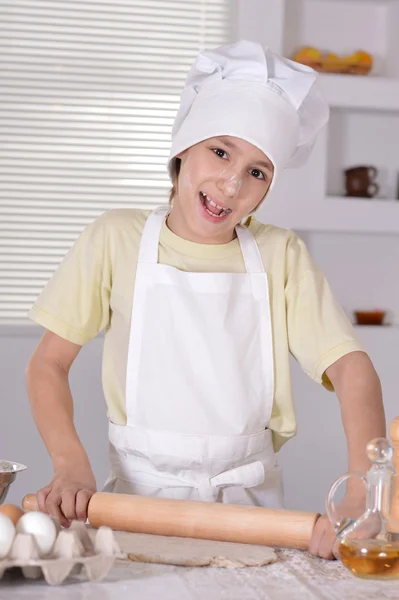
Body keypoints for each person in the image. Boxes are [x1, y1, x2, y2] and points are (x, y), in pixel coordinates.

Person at [26, 40, 385, 559]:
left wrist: (362, 487)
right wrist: (69, 464)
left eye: (258, 172)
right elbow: (47, 364)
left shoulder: (280, 254)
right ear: (182, 147)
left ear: (267, 189)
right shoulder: (116, 238)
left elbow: (353, 369)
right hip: (136, 510)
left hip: (251, 514)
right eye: (220, 151)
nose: (232, 183)